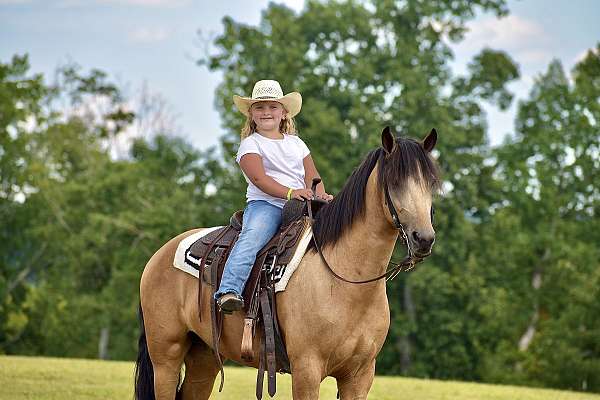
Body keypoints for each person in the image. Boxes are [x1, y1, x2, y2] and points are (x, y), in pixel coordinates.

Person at [215, 79, 333, 313]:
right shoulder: (250, 145)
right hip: (267, 204)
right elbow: (260, 180)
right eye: (259, 107)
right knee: (253, 237)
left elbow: (312, 176)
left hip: (302, 204)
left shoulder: (297, 143)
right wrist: (291, 192)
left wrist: (321, 194)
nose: (266, 112)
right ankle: (229, 289)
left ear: (283, 112)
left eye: (272, 107)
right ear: (251, 114)